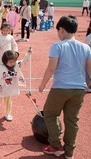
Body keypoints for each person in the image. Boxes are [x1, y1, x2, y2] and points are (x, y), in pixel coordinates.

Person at [38, 15, 91, 158]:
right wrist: (88, 84)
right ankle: (69, 151)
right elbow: (89, 70)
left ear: (61, 29)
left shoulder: (57, 46)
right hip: (79, 89)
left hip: (61, 88)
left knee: (50, 114)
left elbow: (51, 68)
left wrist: (42, 84)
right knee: (72, 120)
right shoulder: (86, 47)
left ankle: (55, 145)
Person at [0, 49, 31, 121]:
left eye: (14, 61)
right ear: (5, 61)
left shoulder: (17, 65)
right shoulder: (0, 67)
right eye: (10, 62)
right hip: (1, 87)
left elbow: (24, 61)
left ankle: (8, 113)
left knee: (9, 101)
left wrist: (28, 54)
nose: (12, 63)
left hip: (10, 88)